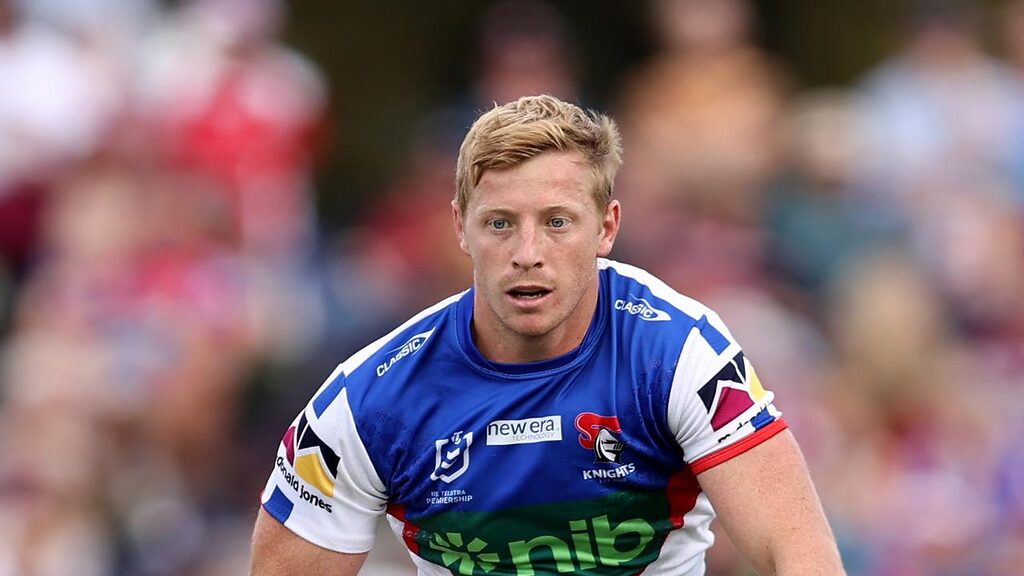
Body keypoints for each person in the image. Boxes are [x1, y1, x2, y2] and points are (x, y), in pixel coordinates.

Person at [249, 95, 845, 575]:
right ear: (461, 227)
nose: (527, 254)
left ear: (606, 227)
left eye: (557, 222)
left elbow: (798, 553)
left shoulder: (679, 353)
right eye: (500, 224)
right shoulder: (368, 401)